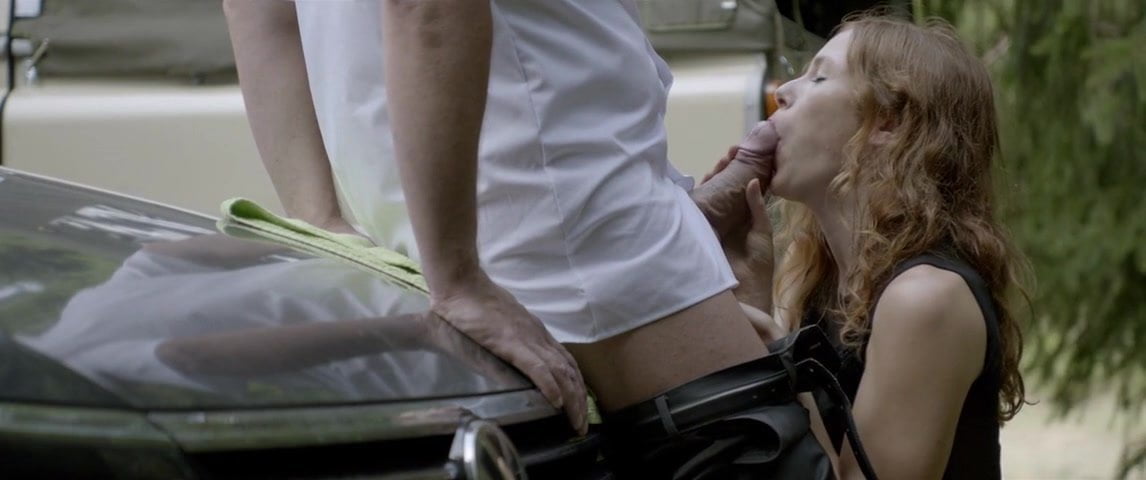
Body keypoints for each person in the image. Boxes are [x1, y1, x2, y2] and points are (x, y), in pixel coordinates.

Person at [221, 0, 782, 443]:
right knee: (780, 451)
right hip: (578, 238)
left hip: (417, 241)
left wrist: (321, 218)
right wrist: (459, 280)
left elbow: (257, 10)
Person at [725, 12, 1030, 480]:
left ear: (886, 122)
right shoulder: (813, 280)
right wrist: (751, 291)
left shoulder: (926, 298)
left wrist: (774, 361)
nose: (783, 91)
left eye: (819, 77)